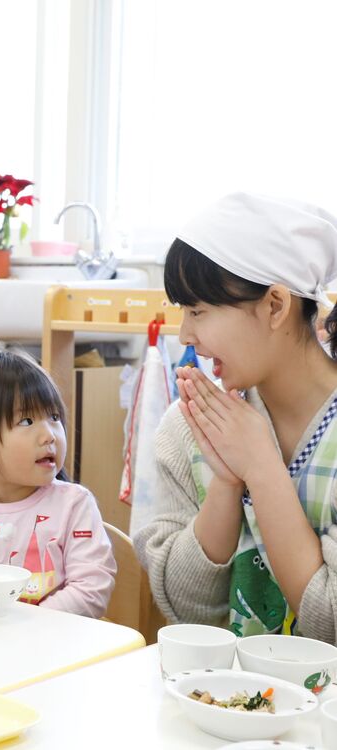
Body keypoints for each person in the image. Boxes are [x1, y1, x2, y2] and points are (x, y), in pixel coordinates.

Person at [133, 192, 337, 643]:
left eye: (198, 311)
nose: (186, 334)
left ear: (276, 306)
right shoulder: (188, 426)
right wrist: (225, 483)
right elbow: (186, 611)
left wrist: (262, 469)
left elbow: (330, 625)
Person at [0, 350, 116, 617]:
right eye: (26, 421)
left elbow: (90, 590)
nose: (49, 435)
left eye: (54, 417)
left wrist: (22, 625)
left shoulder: (73, 503)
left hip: (55, 647)